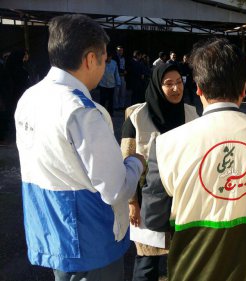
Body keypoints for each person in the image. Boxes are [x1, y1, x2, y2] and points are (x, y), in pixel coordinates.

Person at [141, 38, 246, 281]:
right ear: (245, 88)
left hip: (193, 269)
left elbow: (153, 218)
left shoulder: (166, 144)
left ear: (199, 89)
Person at [14, 14, 145, 280]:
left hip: (50, 227)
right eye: (104, 58)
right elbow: (115, 189)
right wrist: (136, 162)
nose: (104, 64)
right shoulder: (83, 111)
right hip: (90, 238)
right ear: (89, 59)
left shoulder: (29, 97)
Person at [122, 62, 198, 281]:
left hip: (184, 201)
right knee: (147, 262)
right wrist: (132, 203)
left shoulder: (191, 114)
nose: (176, 88)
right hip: (149, 203)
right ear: (157, 86)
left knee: (184, 260)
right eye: (168, 84)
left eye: (178, 82)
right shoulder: (137, 118)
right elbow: (126, 160)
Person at [98, 49, 121, 116]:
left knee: (111, 100)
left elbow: (116, 73)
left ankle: (110, 113)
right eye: (107, 57)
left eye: (110, 57)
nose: (108, 59)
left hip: (111, 84)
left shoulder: (114, 63)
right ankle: (101, 113)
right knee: (102, 99)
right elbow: (98, 73)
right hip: (103, 84)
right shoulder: (101, 63)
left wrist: (118, 82)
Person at [113, 45, 128, 109]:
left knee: (123, 92)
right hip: (116, 76)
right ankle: (116, 106)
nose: (120, 52)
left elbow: (127, 66)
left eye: (121, 50)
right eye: (119, 50)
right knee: (116, 92)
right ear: (116, 51)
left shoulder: (125, 58)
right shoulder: (114, 58)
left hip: (123, 77)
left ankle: (121, 105)